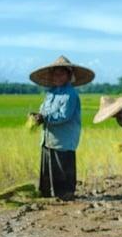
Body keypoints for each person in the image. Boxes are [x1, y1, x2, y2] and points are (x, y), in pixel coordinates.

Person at [29, 55, 94, 200]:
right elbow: (44, 110)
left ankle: (65, 195)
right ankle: (48, 194)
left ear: (69, 75)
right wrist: (37, 116)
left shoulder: (70, 94)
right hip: (48, 138)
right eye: (55, 73)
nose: (57, 76)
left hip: (63, 139)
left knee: (62, 167)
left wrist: (45, 118)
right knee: (48, 168)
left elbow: (64, 115)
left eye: (61, 73)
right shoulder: (50, 93)